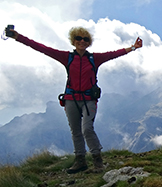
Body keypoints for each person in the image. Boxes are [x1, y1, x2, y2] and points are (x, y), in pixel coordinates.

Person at [7, 26, 143, 173]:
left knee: (87, 129)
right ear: (73, 41)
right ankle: (80, 161)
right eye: (78, 38)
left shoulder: (94, 59)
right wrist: (18, 37)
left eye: (85, 39)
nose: (82, 41)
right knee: (76, 131)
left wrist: (133, 48)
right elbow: (42, 48)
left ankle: (98, 162)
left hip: (89, 100)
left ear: (89, 42)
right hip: (71, 99)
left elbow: (113, 54)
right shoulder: (67, 57)